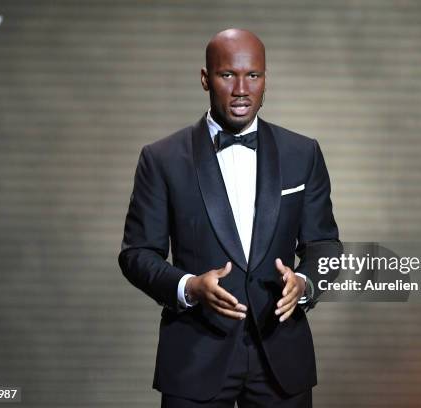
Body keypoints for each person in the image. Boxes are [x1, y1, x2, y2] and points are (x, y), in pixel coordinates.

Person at [118, 28, 339, 408]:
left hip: (282, 360)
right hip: (193, 358)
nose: (241, 88)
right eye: (227, 75)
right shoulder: (161, 159)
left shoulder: (303, 153)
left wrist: (304, 284)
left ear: (265, 79)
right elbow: (136, 254)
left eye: (253, 75)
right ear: (205, 78)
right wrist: (190, 286)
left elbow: (325, 246)